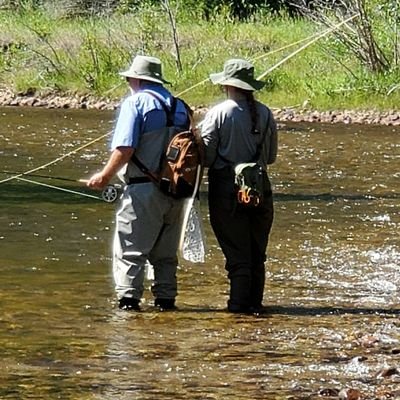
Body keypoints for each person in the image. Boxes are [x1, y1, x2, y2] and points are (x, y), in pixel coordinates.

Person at [87, 55, 190, 311]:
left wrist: (104, 176)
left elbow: (125, 148)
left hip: (143, 190)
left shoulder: (135, 103)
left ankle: (128, 306)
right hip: (176, 191)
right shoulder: (181, 107)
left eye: (128, 79)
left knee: (130, 250)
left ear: (136, 79)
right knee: (165, 255)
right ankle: (166, 303)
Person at [200, 58, 278, 314]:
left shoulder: (219, 113)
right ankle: (255, 305)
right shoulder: (266, 113)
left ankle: (237, 311)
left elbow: (208, 158)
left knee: (237, 255)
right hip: (260, 189)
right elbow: (270, 157)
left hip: (227, 191)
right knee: (257, 254)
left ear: (227, 85)